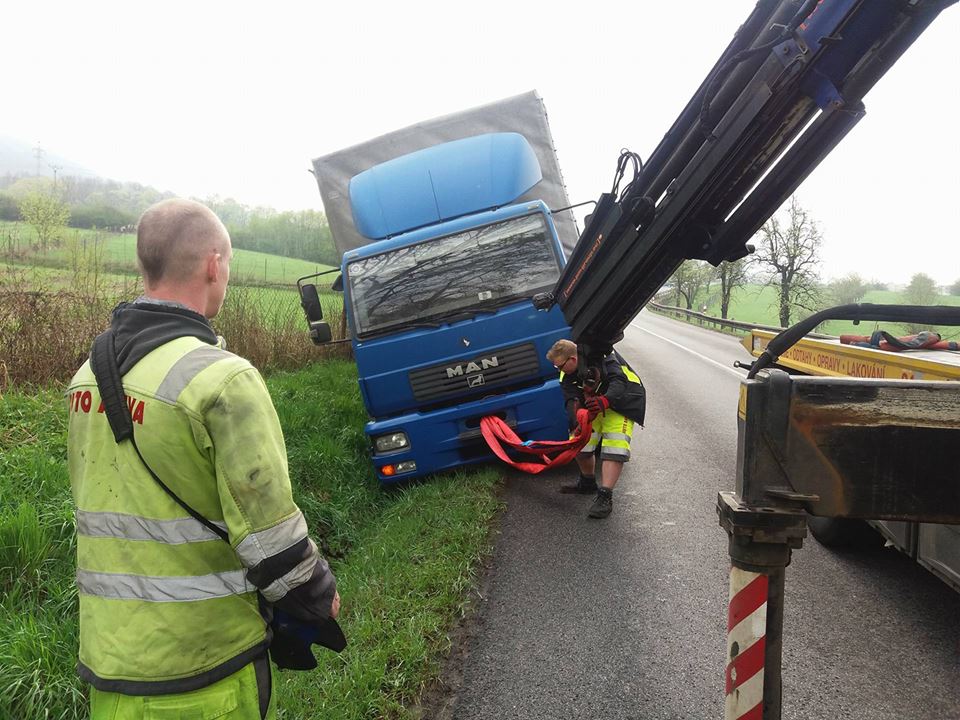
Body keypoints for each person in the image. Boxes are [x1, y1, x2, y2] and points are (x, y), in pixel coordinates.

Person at [66, 198, 340, 719]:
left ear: (145, 265)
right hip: (206, 669)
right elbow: (269, 539)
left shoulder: (85, 379)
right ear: (214, 265)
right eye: (229, 264)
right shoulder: (223, 378)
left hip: (109, 669)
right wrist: (319, 596)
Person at [546, 339, 645, 519]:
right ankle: (587, 482)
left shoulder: (602, 355)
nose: (559, 370)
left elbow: (618, 382)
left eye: (560, 366)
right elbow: (571, 399)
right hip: (595, 404)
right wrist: (577, 420)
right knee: (579, 444)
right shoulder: (565, 374)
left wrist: (604, 401)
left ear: (573, 360)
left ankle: (605, 496)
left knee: (614, 448)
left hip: (622, 401)